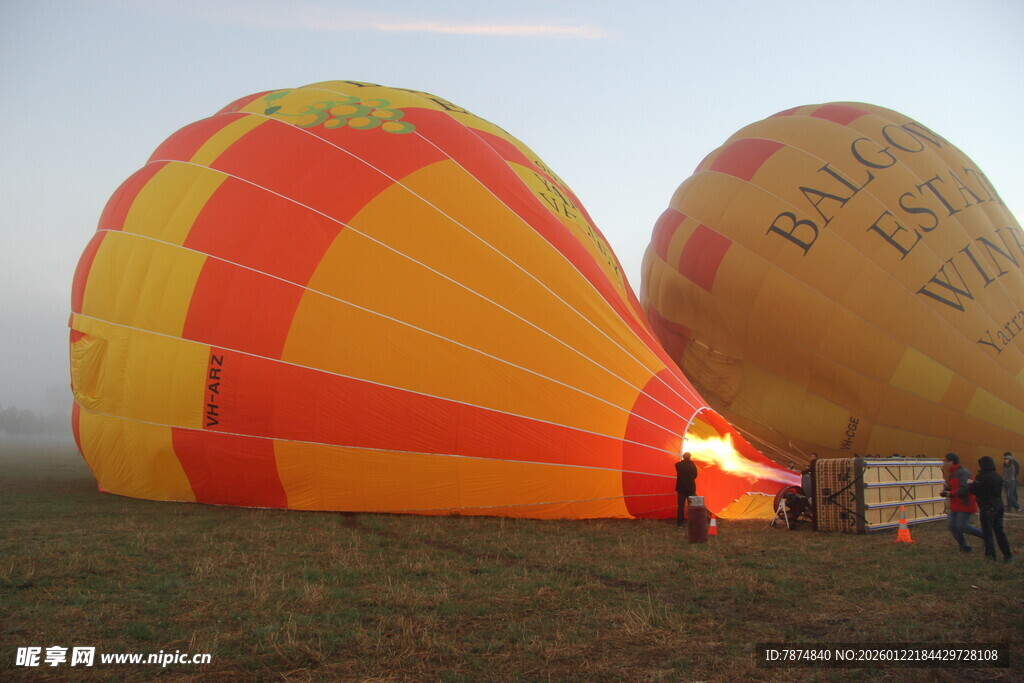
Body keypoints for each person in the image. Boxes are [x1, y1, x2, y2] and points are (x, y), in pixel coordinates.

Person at [964, 456, 1013, 562]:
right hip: (999, 505)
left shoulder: (982, 476)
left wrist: (969, 484)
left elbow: (974, 490)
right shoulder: (998, 476)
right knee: (1000, 531)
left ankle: (990, 556)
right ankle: (1008, 555)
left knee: (987, 533)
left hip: (987, 506)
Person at [942, 453, 983, 553]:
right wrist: (946, 489)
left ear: (951, 461)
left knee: (961, 526)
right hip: (955, 504)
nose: (945, 463)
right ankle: (965, 547)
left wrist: (950, 494)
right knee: (952, 526)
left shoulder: (964, 473)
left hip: (965, 504)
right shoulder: (952, 473)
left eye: (946, 461)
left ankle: (985, 535)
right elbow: (952, 486)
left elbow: (966, 488)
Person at [675, 452, 698, 527]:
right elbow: (695, 475)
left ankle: (680, 522)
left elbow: (676, 464)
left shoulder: (679, 465)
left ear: (683, 457)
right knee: (692, 506)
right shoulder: (692, 466)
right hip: (690, 488)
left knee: (680, 506)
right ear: (690, 457)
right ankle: (692, 522)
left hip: (681, 488)